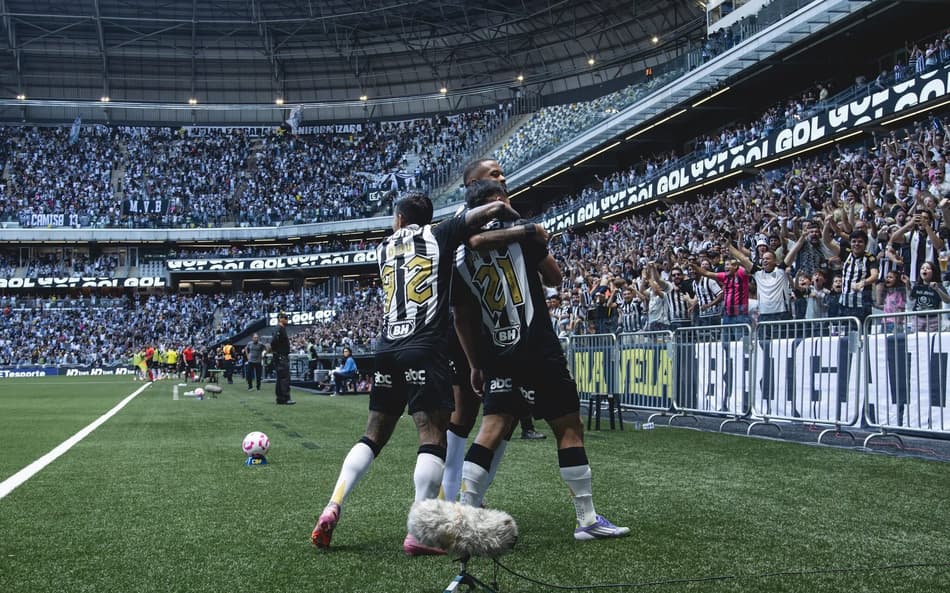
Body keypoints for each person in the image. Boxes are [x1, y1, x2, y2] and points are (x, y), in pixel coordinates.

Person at [310, 191, 523, 555]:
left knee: (372, 436)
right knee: (432, 437)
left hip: (386, 347)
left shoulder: (383, 247)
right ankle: (419, 532)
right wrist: (504, 208)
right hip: (425, 347)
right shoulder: (438, 234)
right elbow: (484, 215)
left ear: (397, 219)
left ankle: (334, 503)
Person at [453, 179, 629, 541]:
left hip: (497, 347)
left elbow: (463, 317)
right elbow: (555, 277)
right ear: (498, 201)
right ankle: (587, 519)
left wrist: (474, 364)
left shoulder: (458, 254)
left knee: (492, 428)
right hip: (538, 343)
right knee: (567, 426)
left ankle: (467, 514)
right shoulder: (522, 233)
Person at [270, 314, 295, 405]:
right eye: (285, 318)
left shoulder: (280, 328)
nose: (287, 320)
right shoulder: (279, 328)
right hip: (281, 356)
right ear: (280, 319)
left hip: (280, 356)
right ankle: (285, 398)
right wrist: (277, 351)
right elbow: (273, 341)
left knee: (280, 378)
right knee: (285, 377)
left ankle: (280, 398)